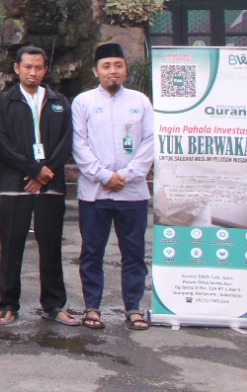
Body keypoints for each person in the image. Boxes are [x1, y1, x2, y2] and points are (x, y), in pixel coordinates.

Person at [72, 42, 154, 332]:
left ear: (125, 68)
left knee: (133, 253)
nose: (113, 71)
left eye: (118, 65)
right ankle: (92, 308)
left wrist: (129, 174)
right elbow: (79, 144)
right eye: (106, 66)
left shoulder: (140, 101)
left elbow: (148, 143)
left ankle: (133, 308)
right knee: (92, 252)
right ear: (96, 71)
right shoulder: (82, 102)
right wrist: (104, 175)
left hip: (133, 193)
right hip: (95, 193)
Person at [0, 45, 75, 326]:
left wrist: (45, 172)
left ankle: (53, 304)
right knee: (11, 246)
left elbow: (67, 140)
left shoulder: (58, 101)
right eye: (27, 67)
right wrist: (34, 170)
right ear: (17, 68)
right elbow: (2, 143)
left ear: (45, 70)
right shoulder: (4, 102)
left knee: (51, 245)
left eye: (38, 68)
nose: (32, 72)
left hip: (50, 183)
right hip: (17, 184)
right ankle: (8, 304)